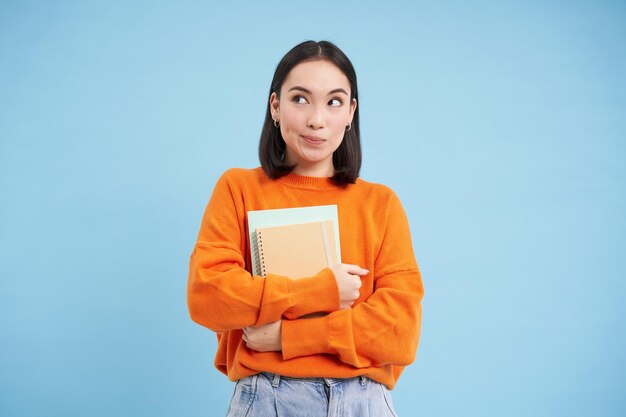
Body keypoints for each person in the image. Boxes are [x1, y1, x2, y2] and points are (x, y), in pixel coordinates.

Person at [187, 40, 424, 417]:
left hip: (363, 402)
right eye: (300, 99)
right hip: (269, 397)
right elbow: (208, 296)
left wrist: (287, 337)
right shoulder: (238, 189)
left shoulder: (381, 204)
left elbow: (400, 331)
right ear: (275, 107)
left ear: (350, 113)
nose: (317, 119)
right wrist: (322, 290)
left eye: (334, 102)